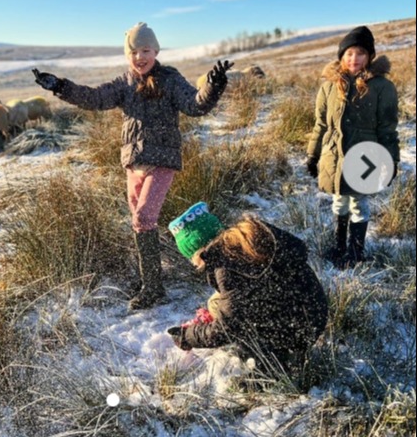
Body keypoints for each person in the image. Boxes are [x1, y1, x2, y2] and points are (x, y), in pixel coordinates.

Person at [32, 22, 233, 310]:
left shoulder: (169, 79)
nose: (140, 57)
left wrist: (212, 86)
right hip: (133, 164)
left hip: (162, 161)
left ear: (156, 50)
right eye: (134, 52)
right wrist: (60, 87)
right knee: (140, 224)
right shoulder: (124, 83)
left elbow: (195, 105)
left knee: (143, 219)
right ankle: (152, 281)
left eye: (146, 50)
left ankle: (152, 288)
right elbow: (94, 98)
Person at [166, 202, 328, 377]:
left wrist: (188, 336)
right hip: (314, 311)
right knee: (216, 302)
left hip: (297, 329)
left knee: (239, 327)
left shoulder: (226, 266)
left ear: (198, 251)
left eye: (193, 259)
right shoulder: (247, 237)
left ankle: (274, 365)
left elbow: (227, 328)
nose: (195, 265)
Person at [306, 26, 399, 268]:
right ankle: (339, 248)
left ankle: (356, 253)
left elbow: (388, 129)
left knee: (359, 202)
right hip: (333, 156)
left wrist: (392, 160)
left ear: (369, 56)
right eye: (349, 53)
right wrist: (312, 155)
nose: (354, 59)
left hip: (366, 156)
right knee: (339, 201)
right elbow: (320, 125)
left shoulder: (382, 87)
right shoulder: (328, 87)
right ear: (341, 56)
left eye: (360, 53)